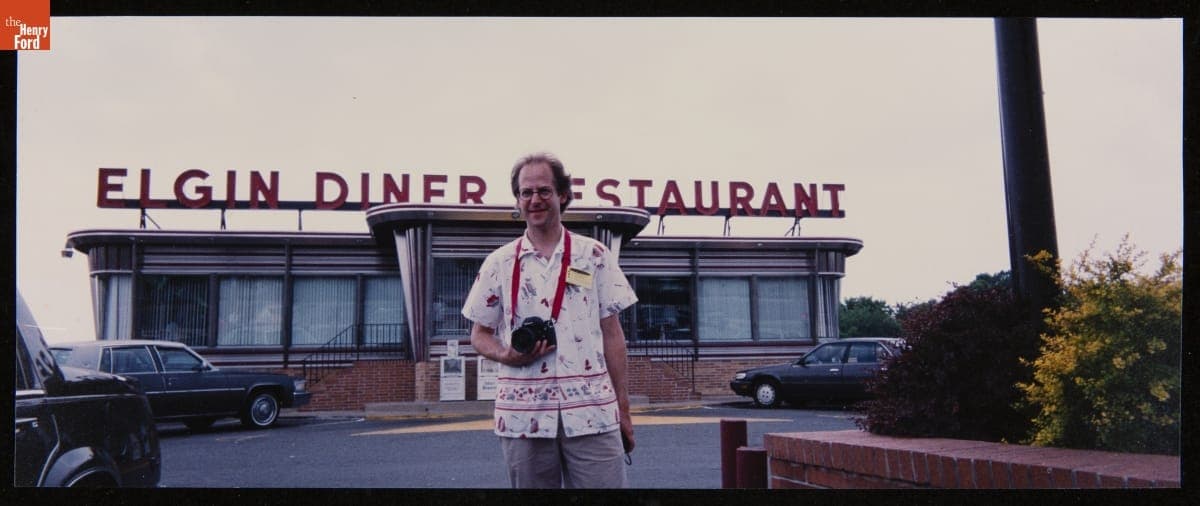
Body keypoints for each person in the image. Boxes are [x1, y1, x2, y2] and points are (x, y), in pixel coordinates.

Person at [461, 152, 638, 489]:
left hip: (593, 413)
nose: (535, 200)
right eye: (526, 193)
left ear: (563, 195)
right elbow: (480, 333)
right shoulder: (499, 262)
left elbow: (612, 335)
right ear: (517, 199)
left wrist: (623, 411)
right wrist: (505, 354)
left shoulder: (594, 255)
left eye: (544, 191)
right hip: (523, 418)